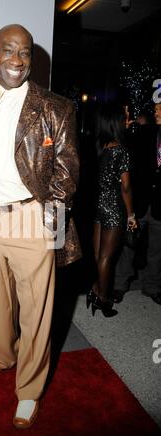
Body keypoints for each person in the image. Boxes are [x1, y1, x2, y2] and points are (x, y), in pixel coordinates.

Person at [0, 24, 80, 429]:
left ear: (31, 58)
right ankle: (1, 356)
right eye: (9, 51)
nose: (16, 60)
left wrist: (53, 216)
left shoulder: (54, 107)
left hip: (32, 216)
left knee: (36, 311)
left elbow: (67, 168)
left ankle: (28, 390)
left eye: (24, 52)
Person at [86, 103, 137, 317]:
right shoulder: (121, 151)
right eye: (124, 118)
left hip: (98, 206)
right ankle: (103, 299)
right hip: (114, 208)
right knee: (107, 257)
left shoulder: (100, 148)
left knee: (98, 254)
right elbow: (125, 187)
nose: (127, 121)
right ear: (116, 122)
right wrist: (131, 214)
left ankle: (96, 290)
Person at [112, 103, 161, 305]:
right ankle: (119, 284)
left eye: (160, 109)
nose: (155, 112)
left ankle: (152, 286)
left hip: (160, 204)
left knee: (157, 250)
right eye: (156, 108)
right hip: (139, 200)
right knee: (128, 245)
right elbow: (124, 150)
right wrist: (125, 129)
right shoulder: (144, 132)